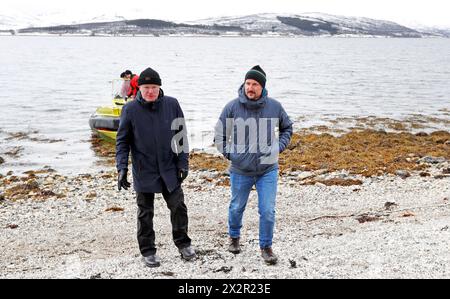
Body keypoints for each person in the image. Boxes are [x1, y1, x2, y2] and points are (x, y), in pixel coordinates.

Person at [116, 67, 195, 268]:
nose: (150, 91)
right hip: (144, 169)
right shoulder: (130, 109)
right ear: (139, 88)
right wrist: (122, 168)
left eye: (153, 87)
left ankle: (183, 243)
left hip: (169, 168)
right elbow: (122, 142)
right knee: (145, 213)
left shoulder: (172, 104)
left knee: (178, 206)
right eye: (145, 87)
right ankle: (148, 251)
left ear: (160, 87)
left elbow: (181, 137)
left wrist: (183, 163)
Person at [214, 65, 293, 265]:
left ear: (262, 87)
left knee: (267, 210)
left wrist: (278, 147)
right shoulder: (232, 107)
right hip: (241, 170)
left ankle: (266, 247)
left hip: (268, 169)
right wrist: (230, 154)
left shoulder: (275, 106)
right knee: (236, 207)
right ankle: (234, 237)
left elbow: (287, 128)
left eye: (255, 84)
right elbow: (219, 134)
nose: (250, 87)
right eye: (248, 83)